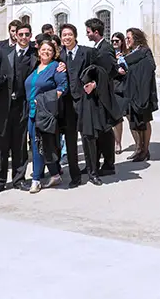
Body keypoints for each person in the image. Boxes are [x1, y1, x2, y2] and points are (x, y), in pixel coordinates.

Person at [0, 22, 35, 195]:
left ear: (30, 36)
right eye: (21, 34)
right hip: (3, 106)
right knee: (1, 146)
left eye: (27, 34)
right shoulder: (4, 53)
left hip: (23, 106)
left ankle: (19, 179)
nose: (24, 37)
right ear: (15, 35)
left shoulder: (35, 54)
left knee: (19, 145)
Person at [81, 18, 120, 185]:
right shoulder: (97, 48)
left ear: (96, 32)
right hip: (96, 95)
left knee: (104, 130)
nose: (87, 34)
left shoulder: (105, 49)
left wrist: (97, 83)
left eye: (88, 31)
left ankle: (109, 164)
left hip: (102, 95)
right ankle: (95, 163)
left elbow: (111, 70)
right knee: (101, 129)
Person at [25, 38, 67, 193]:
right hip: (31, 113)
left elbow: (63, 87)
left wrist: (44, 101)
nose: (46, 52)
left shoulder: (56, 67)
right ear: (38, 51)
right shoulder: (36, 66)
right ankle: (55, 174)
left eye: (49, 50)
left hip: (44, 113)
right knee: (40, 145)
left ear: (54, 53)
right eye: (43, 49)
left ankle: (35, 180)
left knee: (38, 146)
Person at [58, 23, 90, 186]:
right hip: (67, 104)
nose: (67, 37)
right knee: (70, 141)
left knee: (88, 138)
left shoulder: (87, 52)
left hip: (84, 102)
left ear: (75, 36)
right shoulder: (59, 55)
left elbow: (97, 71)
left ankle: (92, 171)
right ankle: (75, 176)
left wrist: (93, 85)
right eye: (64, 35)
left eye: (69, 34)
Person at [124, 28, 159, 162]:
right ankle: (139, 148)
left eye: (129, 38)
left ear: (136, 38)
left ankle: (145, 150)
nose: (127, 40)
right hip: (133, 92)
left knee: (145, 120)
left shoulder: (144, 52)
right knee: (136, 121)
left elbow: (150, 68)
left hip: (143, 92)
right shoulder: (132, 52)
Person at [110, 31, 130, 158]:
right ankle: (117, 143)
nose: (114, 43)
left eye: (117, 41)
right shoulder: (110, 55)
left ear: (122, 41)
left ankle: (140, 144)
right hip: (115, 88)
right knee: (117, 118)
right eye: (112, 41)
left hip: (126, 88)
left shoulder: (127, 54)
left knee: (129, 115)